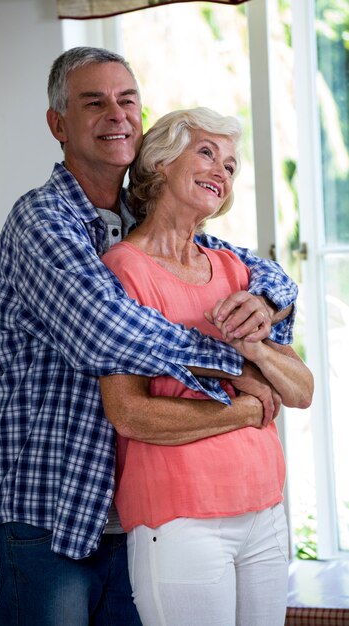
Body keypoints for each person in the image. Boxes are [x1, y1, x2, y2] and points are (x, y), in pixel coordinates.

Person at [0, 47, 299, 626]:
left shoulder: (139, 221)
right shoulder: (42, 221)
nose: (117, 114)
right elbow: (106, 331)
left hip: (125, 510)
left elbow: (260, 272)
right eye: (93, 103)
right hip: (48, 509)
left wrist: (267, 302)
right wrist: (236, 369)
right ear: (58, 124)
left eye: (128, 101)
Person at [100, 107, 314, 626]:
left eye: (232, 165)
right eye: (206, 153)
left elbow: (301, 390)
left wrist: (257, 350)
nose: (222, 170)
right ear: (160, 163)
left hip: (263, 509)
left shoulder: (234, 269)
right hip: (180, 518)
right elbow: (129, 414)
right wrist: (242, 412)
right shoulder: (124, 270)